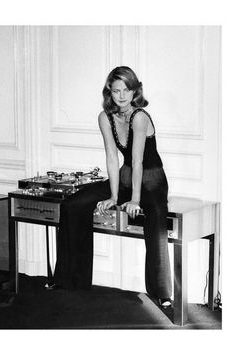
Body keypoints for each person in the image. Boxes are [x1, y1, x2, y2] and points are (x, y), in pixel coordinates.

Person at [51, 66, 172, 308]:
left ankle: (162, 292)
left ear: (135, 90)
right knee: (73, 205)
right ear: (110, 92)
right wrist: (115, 196)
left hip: (152, 180)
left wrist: (135, 200)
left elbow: (137, 160)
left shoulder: (140, 116)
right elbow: (111, 157)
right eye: (116, 90)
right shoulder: (104, 117)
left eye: (127, 89)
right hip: (124, 176)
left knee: (156, 218)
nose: (122, 95)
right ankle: (70, 279)